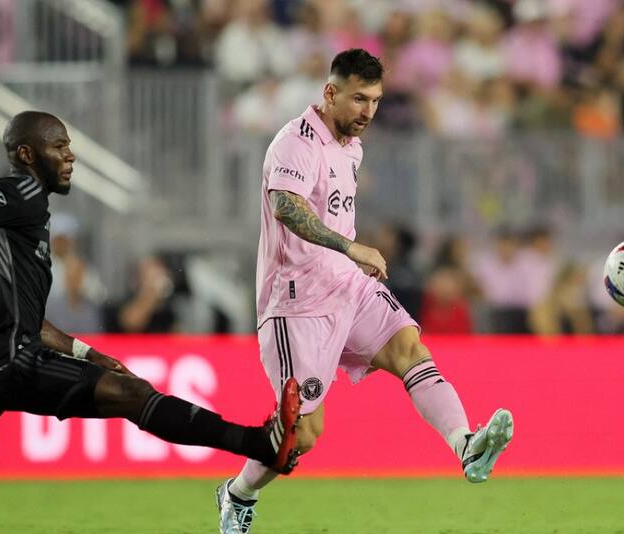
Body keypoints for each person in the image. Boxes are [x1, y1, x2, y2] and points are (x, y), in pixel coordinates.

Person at [0, 111, 301, 534]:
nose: (70, 155)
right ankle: (258, 442)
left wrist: (89, 354)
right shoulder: (21, 191)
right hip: (4, 360)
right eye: (59, 145)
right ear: (27, 154)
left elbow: (31, 321)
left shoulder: (12, 228)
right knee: (132, 396)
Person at [216, 49, 514, 534]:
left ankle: (466, 445)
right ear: (329, 92)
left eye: (375, 101)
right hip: (296, 303)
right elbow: (287, 208)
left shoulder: (352, 147)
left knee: (409, 349)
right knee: (302, 437)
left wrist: (348, 260)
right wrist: (350, 247)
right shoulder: (295, 142)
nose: (368, 112)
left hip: (348, 288)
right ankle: (238, 493)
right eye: (358, 99)